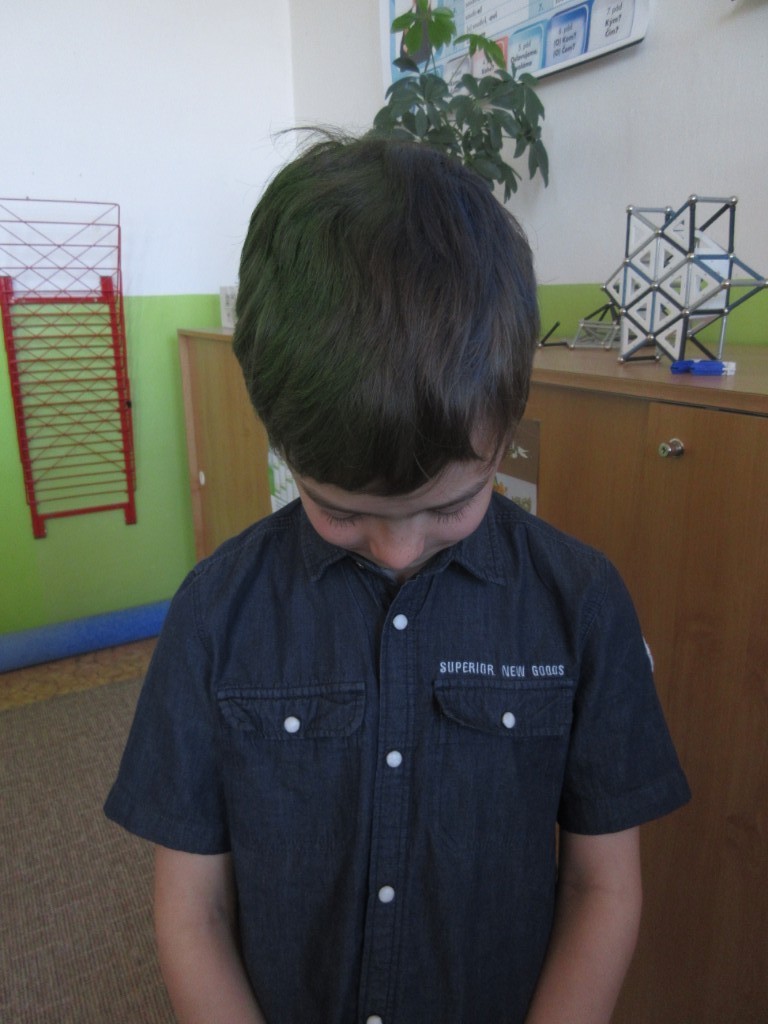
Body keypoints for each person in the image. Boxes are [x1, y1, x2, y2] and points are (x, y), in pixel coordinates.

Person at [105, 134, 690, 1024]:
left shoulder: (582, 604)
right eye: (341, 511)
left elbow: (600, 887)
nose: (397, 549)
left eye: (450, 506)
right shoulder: (215, 612)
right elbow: (194, 909)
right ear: (280, 443)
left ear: (508, 427)